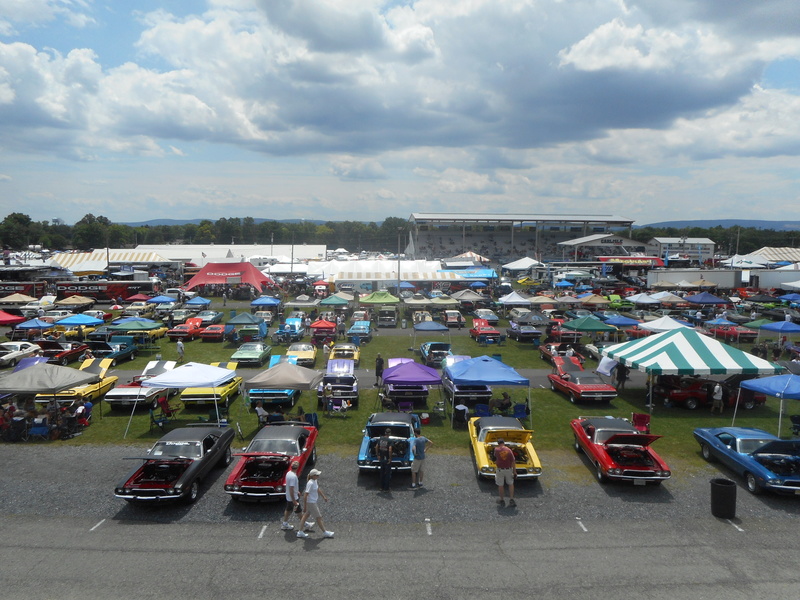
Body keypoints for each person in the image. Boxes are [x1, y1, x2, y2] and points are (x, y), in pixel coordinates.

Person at [296, 469, 334, 539]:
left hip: (312, 502)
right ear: (313, 476)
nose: (318, 476)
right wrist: (304, 506)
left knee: (305, 516)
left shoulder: (314, 481)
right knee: (319, 517)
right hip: (311, 503)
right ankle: (325, 532)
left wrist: (324, 497)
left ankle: (300, 532)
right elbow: (305, 495)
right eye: (317, 475)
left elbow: (317, 489)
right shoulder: (310, 483)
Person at [493, 438, 516, 507]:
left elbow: (494, 457)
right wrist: (514, 471)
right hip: (508, 469)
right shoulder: (509, 450)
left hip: (500, 470)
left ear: (498, 443)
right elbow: (513, 461)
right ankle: (511, 499)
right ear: (504, 443)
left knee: (500, 485)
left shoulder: (496, 450)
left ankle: (501, 499)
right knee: (510, 484)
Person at [281, 461, 301, 530]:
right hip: (293, 498)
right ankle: (305, 524)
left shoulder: (288, 473)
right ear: (297, 468)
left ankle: (285, 523)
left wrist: (297, 491)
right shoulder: (293, 476)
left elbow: (290, 486)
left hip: (289, 497)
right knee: (299, 511)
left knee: (288, 509)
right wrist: (294, 500)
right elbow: (291, 489)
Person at [376, 427, 393, 492]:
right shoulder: (389, 441)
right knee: (387, 474)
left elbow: (377, 447)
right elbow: (390, 450)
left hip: (381, 458)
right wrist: (390, 458)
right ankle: (386, 488)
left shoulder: (380, 439)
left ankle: (381, 487)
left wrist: (378, 455)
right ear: (389, 434)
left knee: (382, 473)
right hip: (386, 458)